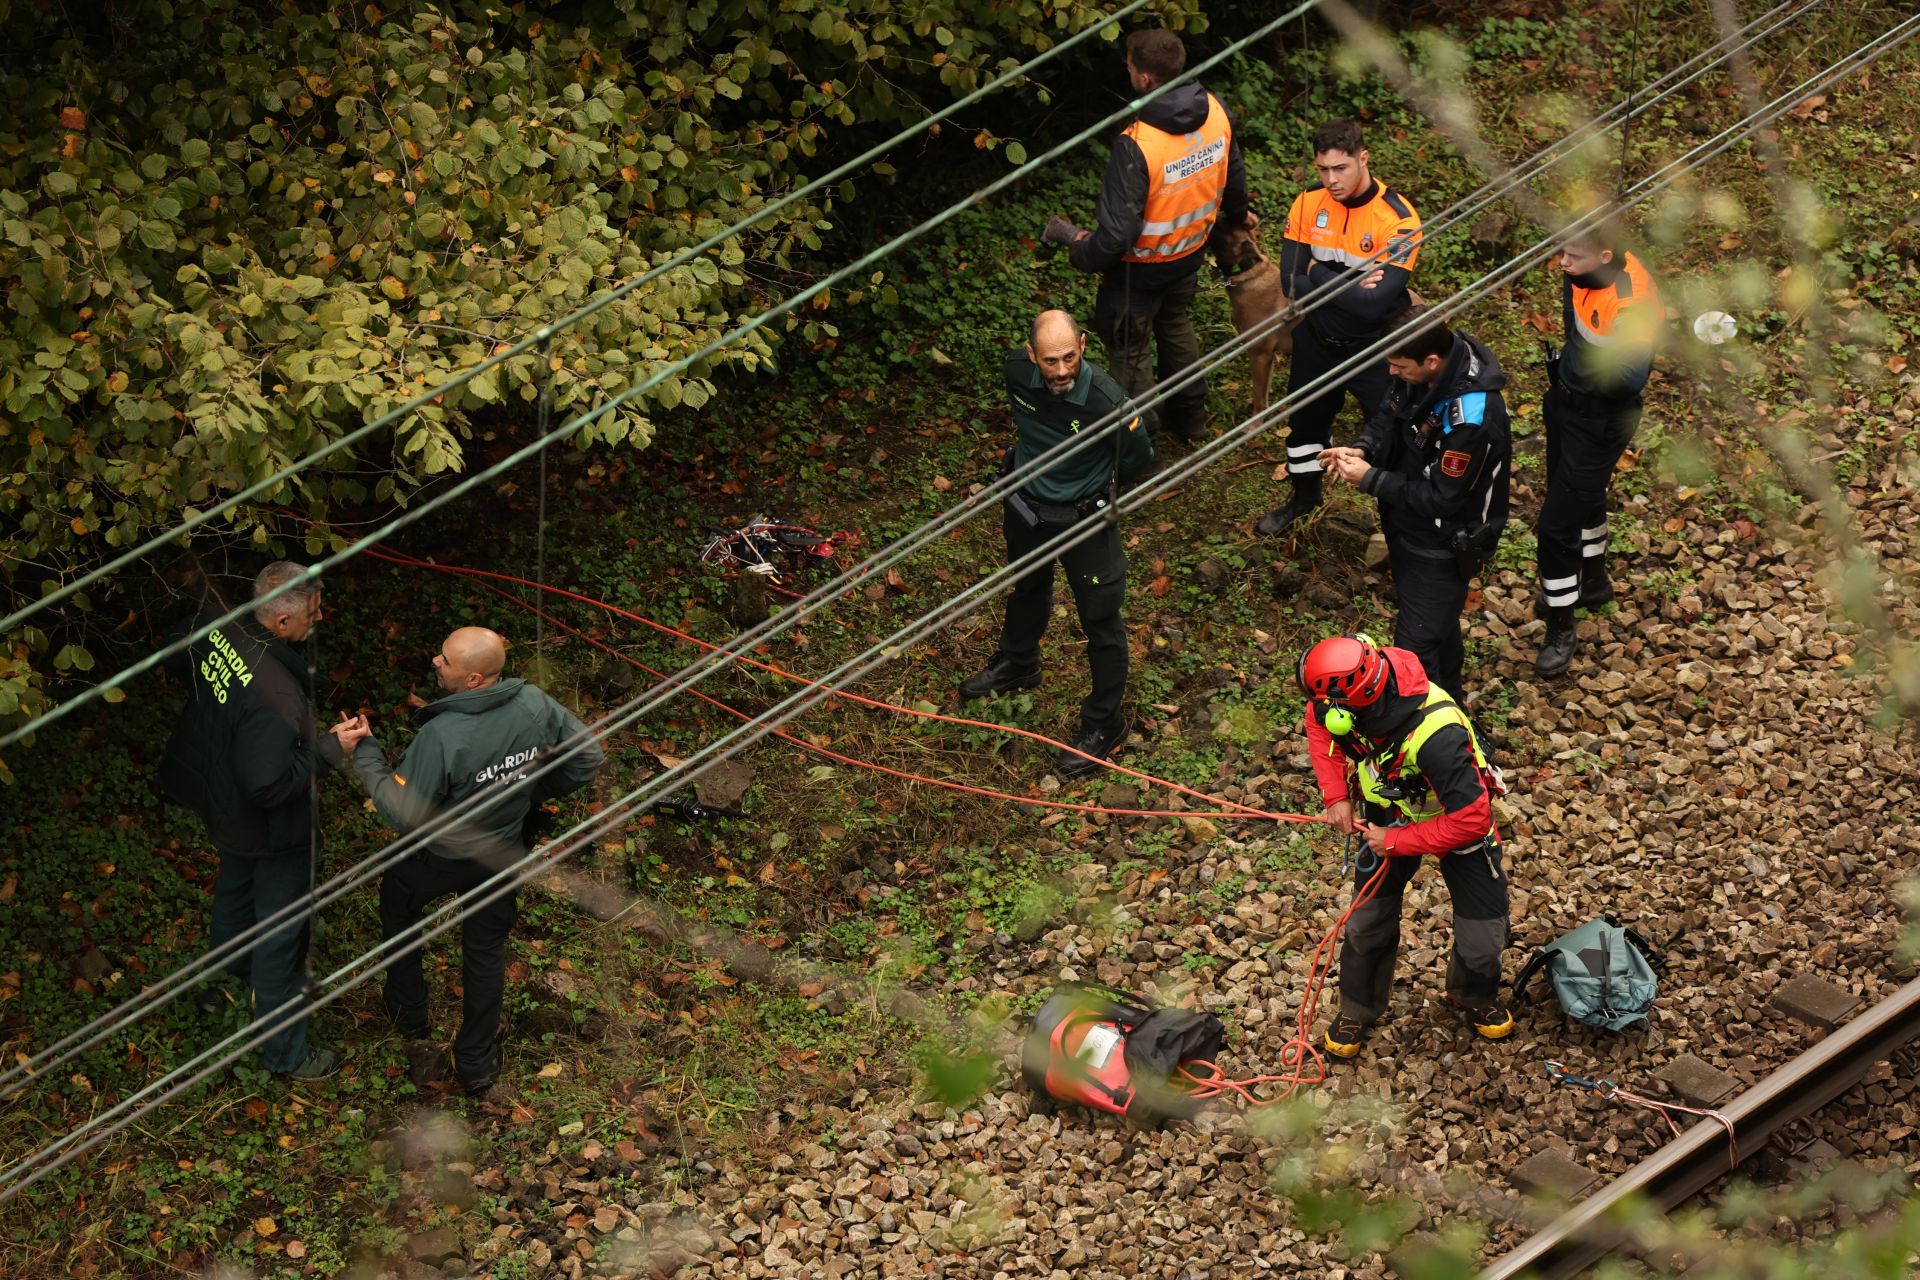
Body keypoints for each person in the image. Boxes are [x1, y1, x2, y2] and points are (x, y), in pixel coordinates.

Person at [349, 627, 604, 1096]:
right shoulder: (533, 703)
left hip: (440, 856)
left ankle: (409, 1016)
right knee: (485, 953)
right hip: (500, 854)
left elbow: (403, 814)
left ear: (473, 680)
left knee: (399, 909)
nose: (434, 663)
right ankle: (476, 1065)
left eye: (444, 661)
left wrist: (365, 753)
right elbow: (587, 757)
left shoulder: (442, 735)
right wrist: (526, 795)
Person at [160, 562, 361, 1080]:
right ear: (280, 623)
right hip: (271, 830)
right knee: (281, 937)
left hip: (224, 803)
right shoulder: (277, 697)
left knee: (234, 893)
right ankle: (286, 1054)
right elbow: (269, 786)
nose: (319, 619)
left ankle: (221, 989)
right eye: (312, 614)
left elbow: (177, 646)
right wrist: (329, 749)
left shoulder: (217, 622)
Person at [959, 310, 1156, 779]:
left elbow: (1138, 460)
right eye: (1051, 361)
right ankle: (1018, 662)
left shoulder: (1109, 403)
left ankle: (1104, 723)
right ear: (1032, 356)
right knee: (1027, 586)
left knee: (1101, 618)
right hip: (1027, 508)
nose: (1063, 370)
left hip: (1084, 522)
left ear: (1084, 346)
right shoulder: (1015, 372)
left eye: (1070, 357)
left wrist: (1090, 489)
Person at [1297, 634, 1512, 1058]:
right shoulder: (1336, 698)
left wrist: (1398, 841)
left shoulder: (1438, 735)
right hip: (1387, 812)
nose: (1322, 710)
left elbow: (1472, 818)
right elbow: (1318, 726)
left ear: (1356, 699)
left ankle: (1473, 995)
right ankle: (1358, 1007)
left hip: (1450, 821)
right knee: (1367, 921)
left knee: (1484, 936)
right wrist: (1334, 793)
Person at [1041, 28, 1251, 443]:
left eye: (1130, 66)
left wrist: (1082, 253)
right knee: (1176, 327)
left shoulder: (1136, 144)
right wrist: (1240, 214)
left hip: (1138, 271)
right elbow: (1236, 173)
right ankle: (1191, 421)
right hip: (1189, 255)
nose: (1129, 72)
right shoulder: (1215, 109)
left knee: (1128, 351)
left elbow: (1118, 234)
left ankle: (1144, 435)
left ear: (1145, 79)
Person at [1321, 306, 1510, 701]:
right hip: (1405, 523)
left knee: (1411, 657)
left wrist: (1369, 478)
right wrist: (1361, 450)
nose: (1392, 373)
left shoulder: (1470, 420)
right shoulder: (1416, 373)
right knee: (1437, 634)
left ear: (1432, 361)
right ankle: (1455, 713)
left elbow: (1442, 498)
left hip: (1444, 543)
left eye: (1400, 367)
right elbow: (1387, 418)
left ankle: (1431, 743)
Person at [1256, 119, 1423, 536]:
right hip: (1316, 340)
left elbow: (1373, 305)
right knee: (1305, 426)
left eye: (1341, 169)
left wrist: (1317, 269)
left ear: (1363, 159)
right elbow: (1290, 283)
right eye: (1323, 170)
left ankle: (1399, 521)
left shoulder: (1399, 220)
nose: (1331, 180)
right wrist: (1344, 279)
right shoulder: (1308, 202)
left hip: (1374, 350)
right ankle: (1304, 497)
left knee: (1391, 434)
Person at [1535, 223, 1661, 677]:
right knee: (1580, 498)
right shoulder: (1580, 273)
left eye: (1573, 257)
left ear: (1606, 256)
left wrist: (1579, 374)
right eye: (1562, 254)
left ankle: (1561, 625)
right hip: (1565, 404)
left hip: (1601, 419)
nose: (1563, 265)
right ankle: (1591, 581)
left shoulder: (1632, 302)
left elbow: (1628, 377)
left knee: (1553, 527)